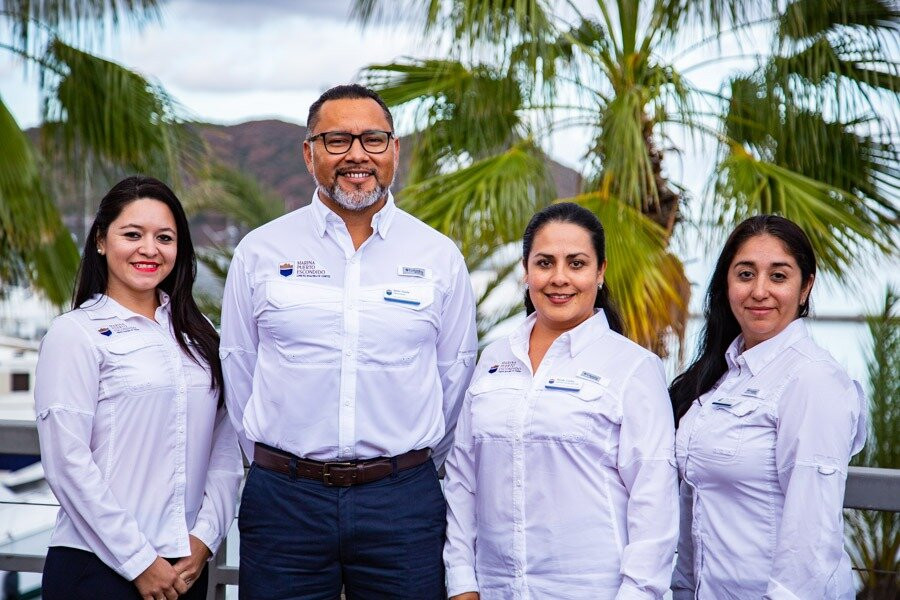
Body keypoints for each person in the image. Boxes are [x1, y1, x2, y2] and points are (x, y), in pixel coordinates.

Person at [220, 83, 478, 599]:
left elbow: (455, 379)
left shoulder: (438, 256)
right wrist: (289, 464)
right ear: (309, 152)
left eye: (373, 139)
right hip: (285, 503)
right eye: (337, 140)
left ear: (394, 150)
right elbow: (239, 370)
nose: (357, 154)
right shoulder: (260, 252)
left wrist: (400, 469)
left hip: (402, 503)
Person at [443, 202, 679, 600]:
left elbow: (654, 499)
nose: (559, 278)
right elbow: (463, 478)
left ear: (600, 272)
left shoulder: (634, 368)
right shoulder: (494, 359)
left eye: (577, 263)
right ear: (526, 270)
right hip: (496, 589)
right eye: (545, 262)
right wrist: (462, 581)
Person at [34, 176, 244, 600]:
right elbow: (67, 463)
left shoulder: (197, 334)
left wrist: (204, 539)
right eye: (133, 234)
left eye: (164, 237)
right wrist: (139, 562)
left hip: (184, 566)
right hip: (98, 566)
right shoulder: (75, 333)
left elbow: (224, 446)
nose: (150, 249)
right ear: (100, 241)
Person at [669, 215, 867, 599]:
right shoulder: (722, 375)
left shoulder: (813, 379)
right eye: (745, 274)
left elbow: (811, 533)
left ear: (805, 287)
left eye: (778, 276)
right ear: (726, 284)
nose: (760, 291)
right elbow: (696, 501)